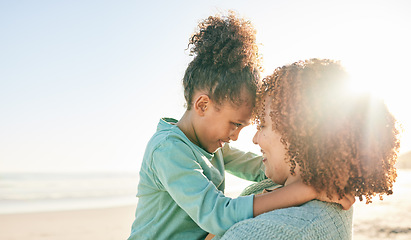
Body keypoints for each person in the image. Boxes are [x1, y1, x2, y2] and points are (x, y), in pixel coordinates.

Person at [128, 13, 353, 239]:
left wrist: (321, 174)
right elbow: (217, 214)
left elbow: (261, 169)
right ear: (203, 105)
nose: (235, 137)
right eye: (234, 124)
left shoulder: (211, 147)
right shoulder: (168, 150)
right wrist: (307, 190)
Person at [213, 58, 401, 239]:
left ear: (297, 135)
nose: (254, 139)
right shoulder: (328, 195)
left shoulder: (272, 232)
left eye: (262, 126)